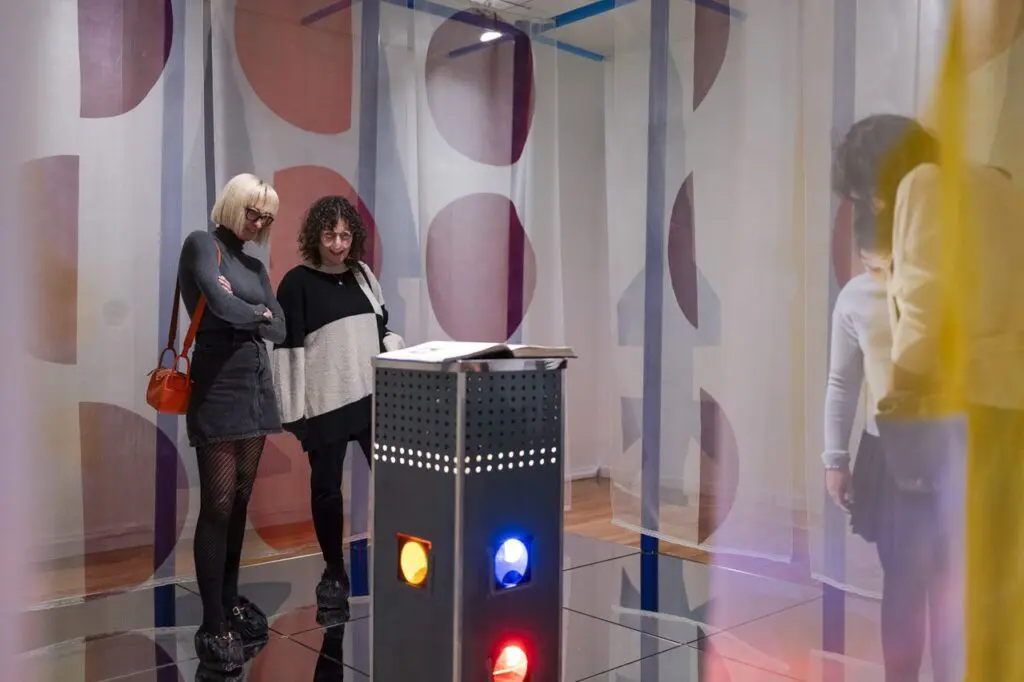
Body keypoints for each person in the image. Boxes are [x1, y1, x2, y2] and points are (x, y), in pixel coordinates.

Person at [832, 113, 1024, 680]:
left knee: (912, 574)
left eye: (868, 194)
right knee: (971, 580)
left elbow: (922, 309)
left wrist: (900, 399)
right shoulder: (999, 184)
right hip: (1005, 413)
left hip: (948, 416)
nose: (875, 207)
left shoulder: (923, 185)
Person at [272, 195, 402, 626]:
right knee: (326, 490)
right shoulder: (296, 284)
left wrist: (398, 368)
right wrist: (293, 413)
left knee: (396, 481)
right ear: (316, 235)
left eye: (345, 235)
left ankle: (405, 558)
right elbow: (287, 352)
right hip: (324, 405)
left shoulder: (363, 275)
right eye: (330, 235)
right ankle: (334, 573)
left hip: (371, 398)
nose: (338, 244)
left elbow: (383, 328)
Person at [178, 173, 286, 671]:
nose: (257, 223)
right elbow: (219, 307)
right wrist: (256, 311)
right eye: (252, 212)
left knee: (240, 501)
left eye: (266, 218)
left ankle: (230, 599)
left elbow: (280, 326)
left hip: (256, 387)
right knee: (218, 505)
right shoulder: (202, 245)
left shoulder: (253, 265)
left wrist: (253, 312)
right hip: (218, 385)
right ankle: (212, 620)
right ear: (232, 203)